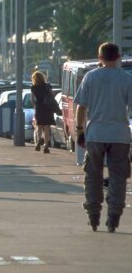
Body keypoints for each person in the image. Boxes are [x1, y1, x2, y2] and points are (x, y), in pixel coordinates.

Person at [75, 42, 132, 233]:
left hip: (95, 134)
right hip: (119, 135)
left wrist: (79, 130)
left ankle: (93, 213)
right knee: (118, 176)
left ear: (99, 58)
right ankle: (114, 215)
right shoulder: (126, 79)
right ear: (118, 58)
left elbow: (81, 107)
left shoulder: (90, 77)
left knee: (93, 175)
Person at [30, 71, 59, 154]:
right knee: (46, 128)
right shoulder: (47, 85)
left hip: (39, 108)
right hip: (47, 108)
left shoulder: (33, 87)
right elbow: (53, 94)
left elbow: (32, 99)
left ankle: (38, 141)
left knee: (39, 127)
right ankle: (46, 145)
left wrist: (36, 105)